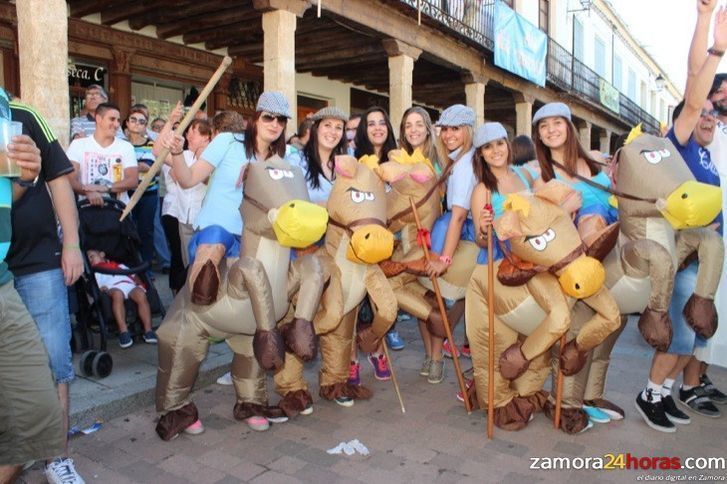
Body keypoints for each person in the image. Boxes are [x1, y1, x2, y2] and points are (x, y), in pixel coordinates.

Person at [634, 0, 727, 433]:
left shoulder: (708, 155)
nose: (708, 118)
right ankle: (650, 394)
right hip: (683, 253)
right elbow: (693, 93)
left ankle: (663, 393)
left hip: (704, 254)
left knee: (698, 333)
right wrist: (709, 33)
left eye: (713, 115)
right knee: (682, 335)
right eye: (702, 115)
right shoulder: (681, 145)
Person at [1, 88, 84, 483]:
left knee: (54, 360)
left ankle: (56, 457)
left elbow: (59, 181)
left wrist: (71, 244)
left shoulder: (23, 113)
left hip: (38, 261)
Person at [161, 92, 289, 306]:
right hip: (217, 233)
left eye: (281, 119)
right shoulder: (228, 141)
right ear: (256, 117)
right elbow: (188, 179)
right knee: (213, 246)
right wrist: (175, 153)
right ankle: (197, 302)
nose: (275, 124)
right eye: (269, 117)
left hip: (257, 238)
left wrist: (259, 174)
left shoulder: (284, 157)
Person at [424, 104, 478, 383]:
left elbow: (458, 216)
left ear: (468, 131)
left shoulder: (466, 163)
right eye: (444, 129)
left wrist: (444, 259)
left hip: (460, 240)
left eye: (455, 129)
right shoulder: (458, 159)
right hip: (457, 237)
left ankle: (437, 356)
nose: (448, 135)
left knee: (441, 299)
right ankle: (435, 356)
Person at [349, 106, 397, 383]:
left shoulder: (397, 159)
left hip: (390, 240)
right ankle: (353, 358)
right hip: (360, 241)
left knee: (382, 304)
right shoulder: (355, 162)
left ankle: (377, 349)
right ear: (364, 131)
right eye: (371, 124)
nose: (377, 127)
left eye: (382, 122)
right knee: (355, 301)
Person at [531, 102, 617, 248]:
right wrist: (564, 211)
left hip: (621, 234)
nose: (551, 130)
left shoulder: (596, 158)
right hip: (589, 253)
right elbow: (541, 232)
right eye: (544, 126)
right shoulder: (543, 181)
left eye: (557, 122)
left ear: (568, 128)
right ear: (539, 135)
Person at [161, 111, 211, 294]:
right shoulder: (185, 155)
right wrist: (171, 120)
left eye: (194, 131)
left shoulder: (214, 158)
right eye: (188, 131)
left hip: (204, 221)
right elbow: (158, 151)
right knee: (187, 264)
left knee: (203, 266)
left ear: (206, 137)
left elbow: (201, 180)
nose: (188, 135)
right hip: (183, 218)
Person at [66, 102, 139, 206]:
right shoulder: (78, 144)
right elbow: (69, 179)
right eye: (112, 119)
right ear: (99, 119)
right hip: (85, 210)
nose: (117, 124)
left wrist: (105, 188)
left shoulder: (126, 147)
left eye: (118, 120)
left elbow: (132, 180)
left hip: (118, 211)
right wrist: (87, 192)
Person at [87, 249, 156, 348]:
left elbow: (134, 275)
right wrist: (101, 289)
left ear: (102, 254)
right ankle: (124, 331)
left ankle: (148, 330)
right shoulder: (95, 273)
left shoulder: (120, 266)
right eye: (88, 258)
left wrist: (140, 284)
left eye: (92, 256)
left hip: (128, 285)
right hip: (112, 287)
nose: (90, 260)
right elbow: (96, 287)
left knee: (140, 294)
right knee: (118, 294)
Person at [287, 106, 348, 204]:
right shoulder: (297, 161)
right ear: (316, 128)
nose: (333, 132)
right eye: (327, 125)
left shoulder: (346, 165)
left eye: (338, 127)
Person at [125, 106, 158, 267]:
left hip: (148, 194)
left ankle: (145, 267)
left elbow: (152, 168)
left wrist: (130, 166)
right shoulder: (121, 145)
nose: (137, 124)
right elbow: (143, 166)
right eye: (133, 120)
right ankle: (131, 265)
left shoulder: (152, 145)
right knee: (127, 231)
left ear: (146, 126)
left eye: (141, 122)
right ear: (127, 123)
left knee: (146, 231)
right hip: (126, 193)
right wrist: (140, 166)